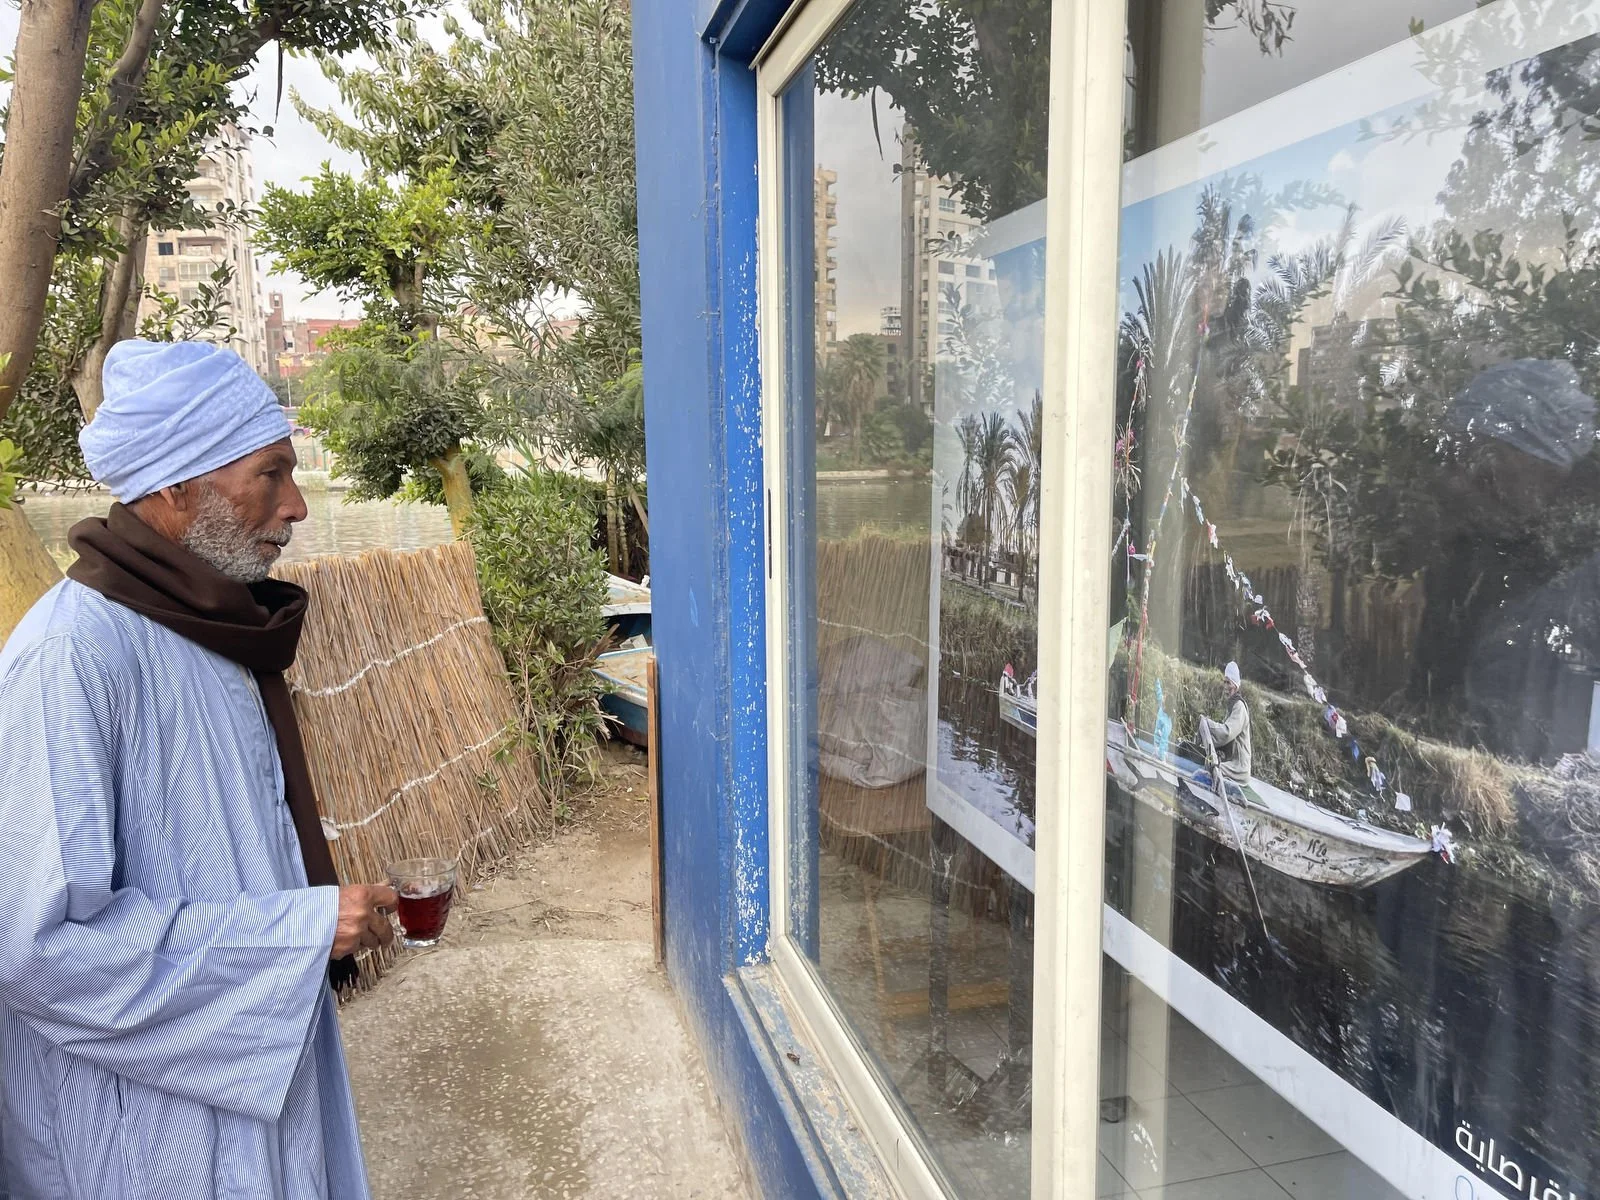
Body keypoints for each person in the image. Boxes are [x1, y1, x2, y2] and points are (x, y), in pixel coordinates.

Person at [0, 340, 396, 1199]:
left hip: (251, 1082)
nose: (295, 506)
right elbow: (37, 950)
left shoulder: (208, 630)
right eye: (271, 474)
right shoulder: (73, 657)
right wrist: (294, 935)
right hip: (145, 1134)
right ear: (175, 489)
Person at [1200, 660, 1253, 785]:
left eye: (1228, 683)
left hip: (1239, 768)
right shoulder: (1233, 705)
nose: (1225, 687)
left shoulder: (1239, 707)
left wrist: (1208, 724)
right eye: (1224, 682)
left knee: (1211, 768)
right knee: (1208, 761)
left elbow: (1227, 732)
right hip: (1232, 762)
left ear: (1235, 685)